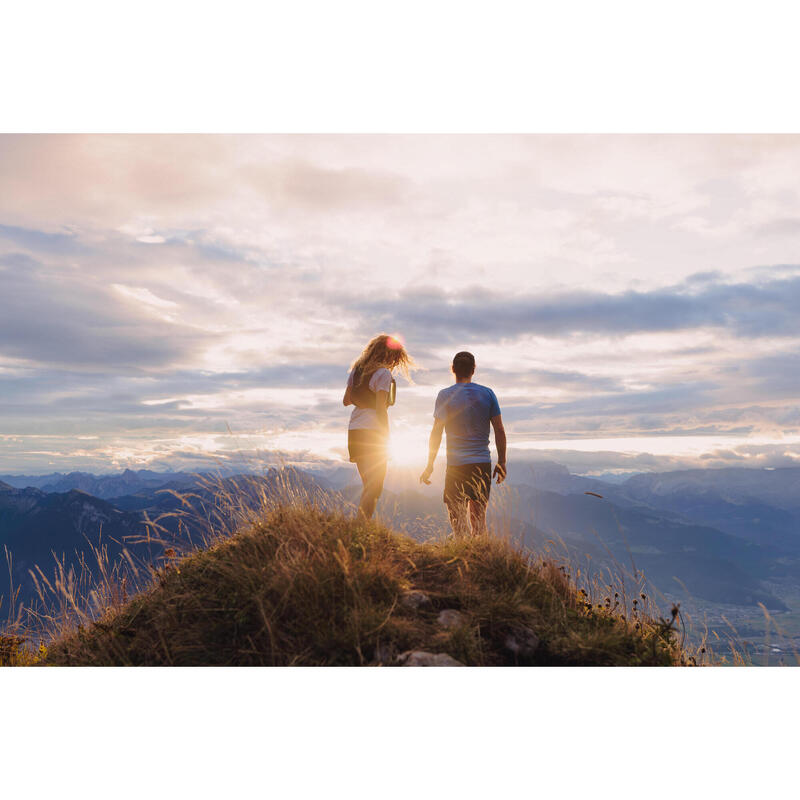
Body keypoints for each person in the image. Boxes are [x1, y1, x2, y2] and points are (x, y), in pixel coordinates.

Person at [419, 351, 506, 536]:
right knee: (479, 523)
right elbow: (499, 430)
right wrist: (502, 462)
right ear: (473, 370)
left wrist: (429, 465)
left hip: (456, 466)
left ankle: (461, 557)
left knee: (458, 523)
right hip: (481, 464)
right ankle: (479, 561)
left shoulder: (445, 395)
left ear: (453, 369)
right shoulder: (488, 393)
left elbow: (436, 433)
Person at [343, 333, 413, 519]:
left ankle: (359, 528)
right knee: (375, 487)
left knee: (369, 485)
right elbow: (381, 410)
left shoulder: (356, 371)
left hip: (355, 430)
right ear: (389, 355)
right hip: (373, 432)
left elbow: (346, 401)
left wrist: (363, 397)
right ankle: (359, 528)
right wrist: (387, 438)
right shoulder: (383, 374)